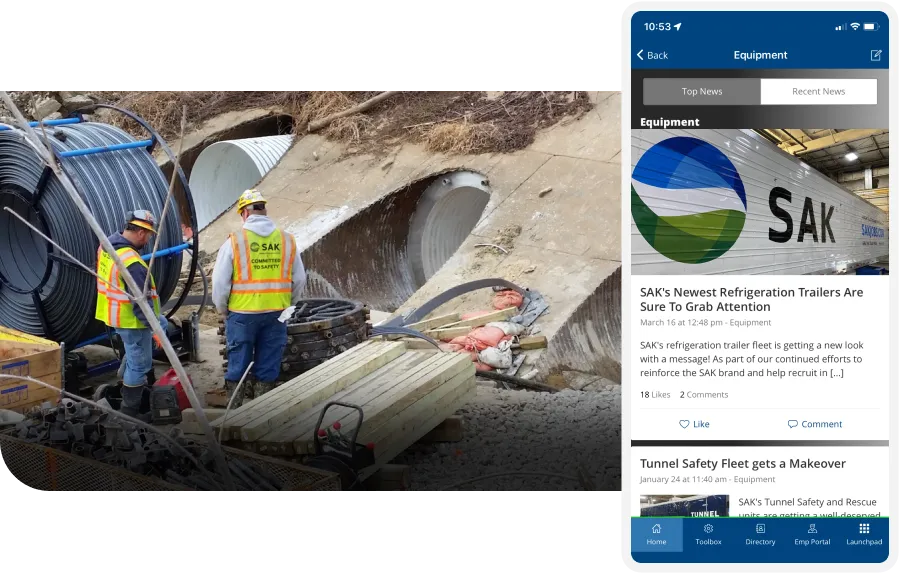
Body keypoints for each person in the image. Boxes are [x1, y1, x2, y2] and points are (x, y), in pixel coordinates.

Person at [212, 189, 307, 406]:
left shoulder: (235, 241)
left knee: (238, 365)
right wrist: (288, 305)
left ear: (245, 213)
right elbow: (299, 279)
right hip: (277, 313)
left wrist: (222, 309)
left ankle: (234, 412)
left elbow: (219, 283)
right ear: (264, 211)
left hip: (242, 314)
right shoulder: (287, 240)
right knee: (268, 366)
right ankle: (261, 412)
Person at [95, 209, 168, 420]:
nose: (148, 240)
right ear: (141, 233)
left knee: (159, 326)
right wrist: (154, 330)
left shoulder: (106, 245)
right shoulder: (131, 262)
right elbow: (140, 304)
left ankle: (125, 375)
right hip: (132, 321)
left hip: (114, 312)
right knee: (140, 364)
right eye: (149, 235)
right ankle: (129, 411)